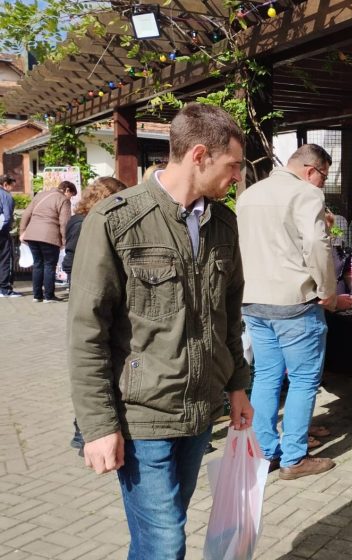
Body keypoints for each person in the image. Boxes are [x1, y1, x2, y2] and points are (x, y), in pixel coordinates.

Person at [67, 103, 253, 559]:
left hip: (197, 414)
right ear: (199, 155)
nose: (236, 178)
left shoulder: (224, 224)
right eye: (232, 166)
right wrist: (97, 427)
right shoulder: (114, 220)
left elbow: (229, 315)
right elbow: (86, 331)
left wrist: (238, 387)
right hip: (140, 417)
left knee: (158, 538)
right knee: (166, 543)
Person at [237, 143, 337, 480]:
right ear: (312, 170)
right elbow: (316, 245)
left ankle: (266, 452)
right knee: (303, 380)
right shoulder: (306, 194)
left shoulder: (249, 194)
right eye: (324, 176)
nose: (323, 183)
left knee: (265, 376)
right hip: (295, 303)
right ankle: (294, 457)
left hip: (253, 300)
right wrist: (327, 291)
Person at [62, 176, 129, 452]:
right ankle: (83, 431)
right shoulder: (87, 222)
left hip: (97, 290)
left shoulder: (88, 219)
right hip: (89, 289)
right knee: (94, 358)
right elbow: (76, 259)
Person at [63, 177, 128, 289]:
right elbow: (70, 261)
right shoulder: (82, 223)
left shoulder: (91, 219)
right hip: (88, 286)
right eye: (118, 200)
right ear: (105, 198)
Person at [19, 181, 75, 302]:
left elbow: (26, 214)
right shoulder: (63, 199)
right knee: (49, 265)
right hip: (49, 236)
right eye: (72, 194)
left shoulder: (39, 195)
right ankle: (49, 296)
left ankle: (37, 295)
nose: (71, 197)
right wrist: (65, 241)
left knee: (38, 264)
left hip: (32, 235)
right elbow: (64, 223)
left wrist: (22, 231)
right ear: (67, 190)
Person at [0, 174, 21, 297]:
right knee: (5, 259)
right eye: (12, 185)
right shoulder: (6, 196)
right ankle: (5, 288)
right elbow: (7, 217)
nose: (12, 188)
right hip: (2, 233)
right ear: (5, 184)